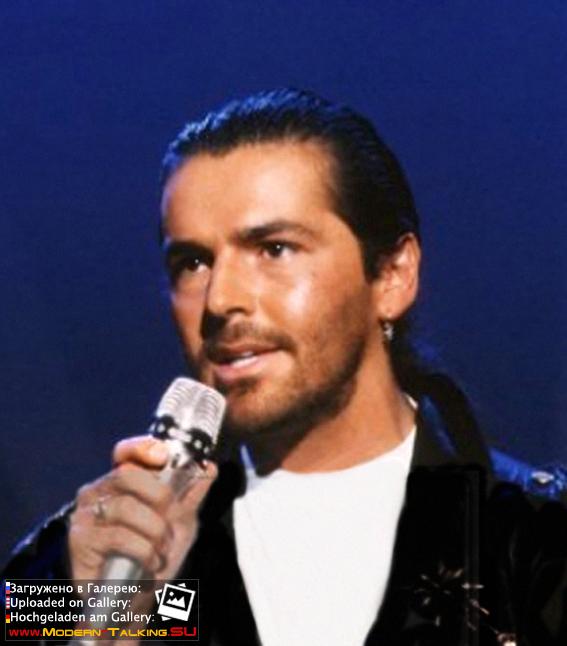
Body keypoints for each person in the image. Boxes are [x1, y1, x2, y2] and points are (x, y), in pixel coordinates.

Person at [3, 89, 567, 646]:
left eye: (274, 249)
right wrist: (88, 613)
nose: (221, 299)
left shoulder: (531, 544)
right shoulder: (116, 552)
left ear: (392, 276)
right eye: (193, 262)